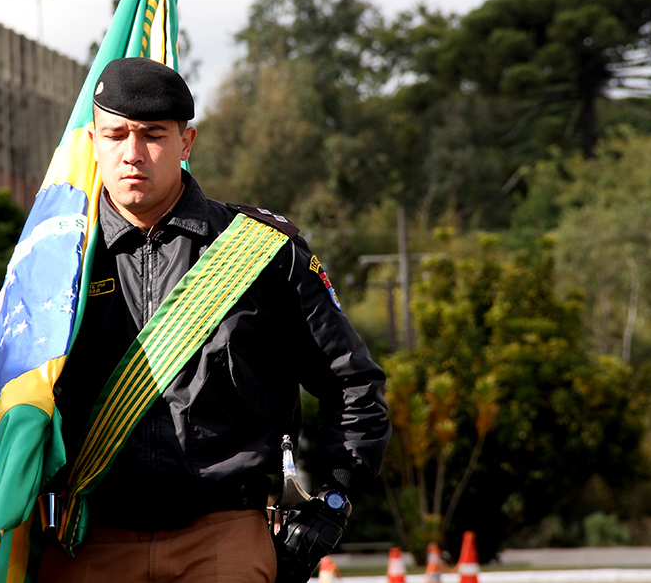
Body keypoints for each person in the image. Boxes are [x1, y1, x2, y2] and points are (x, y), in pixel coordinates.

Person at [37, 57, 391, 583]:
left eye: (153, 135)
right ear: (92, 141)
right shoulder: (56, 258)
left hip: (223, 533)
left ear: (186, 142)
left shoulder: (262, 251)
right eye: (115, 135)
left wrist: (333, 499)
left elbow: (351, 381)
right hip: (87, 535)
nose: (132, 153)